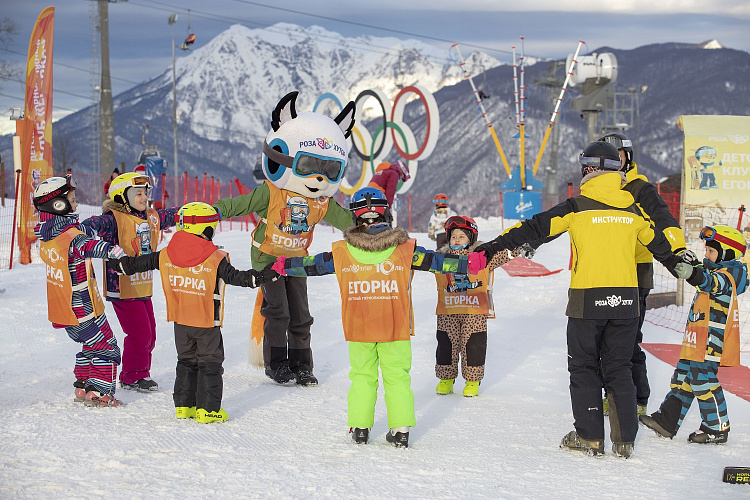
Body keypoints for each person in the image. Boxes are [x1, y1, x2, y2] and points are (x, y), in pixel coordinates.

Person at [475, 141, 684, 458]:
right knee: (619, 368)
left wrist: (488, 249)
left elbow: (531, 228)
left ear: (588, 169)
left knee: (584, 367)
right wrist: (690, 269)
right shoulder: (633, 211)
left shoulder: (576, 207)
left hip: (588, 299)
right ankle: (625, 440)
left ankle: (589, 437)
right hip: (627, 301)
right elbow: (663, 248)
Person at [269, 187, 486, 447]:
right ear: (386, 213)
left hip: (359, 327)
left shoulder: (342, 252)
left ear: (355, 217)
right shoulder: (406, 249)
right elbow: (437, 261)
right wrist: (467, 263)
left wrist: (284, 265)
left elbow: (313, 264)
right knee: (397, 378)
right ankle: (401, 430)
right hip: (395, 327)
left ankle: (360, 428)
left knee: (362, 376)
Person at [212, 91, 356, 387]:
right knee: (278, 311)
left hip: (297, 261)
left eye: (329, 170)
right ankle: (276, 363)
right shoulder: (272, 193)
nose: (318, 178)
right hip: (267, 256)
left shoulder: (322, 202)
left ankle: (302, 364)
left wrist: (371, 229)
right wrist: (212, 212)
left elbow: (346, 222)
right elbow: (240, 204)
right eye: (307, 166)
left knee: (301, 313)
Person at [108, 202, 273, 423]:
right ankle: (208, 410)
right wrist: (263, 276)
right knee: (210, 363)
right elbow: (239, 278)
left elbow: (140, 263)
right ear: (204, 229)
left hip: (181, 321)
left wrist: (122, 266)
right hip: (205, 321)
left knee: (186, 361)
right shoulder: (215, 257)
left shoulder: (166, 253)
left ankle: (184, 407)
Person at [598, 131, 691, 417]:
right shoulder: (597, 190)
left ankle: (637, 398)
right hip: (603, 271)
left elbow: (664, 219)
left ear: (628, 159)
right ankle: (612, 394)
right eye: (608, 159)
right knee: (603, 339)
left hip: (635, 271)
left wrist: (679, 250)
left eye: (619, 157)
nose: (615, 162)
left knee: (627, 339)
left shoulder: (640, 188)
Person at [639, 225, 748, 444]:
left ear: (727, 253)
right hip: (696, 338)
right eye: (706, 251)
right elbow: (705, 275)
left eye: (711, 252)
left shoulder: (730, 276)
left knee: (702, 379)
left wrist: (693, 272)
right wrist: (695, 264)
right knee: (683, 377)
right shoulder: (714, 270)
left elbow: (711, 283)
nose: (706, 255)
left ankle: (716, 427)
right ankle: (667, 421)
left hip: (711, 340)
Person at [80, 172, 178, 393]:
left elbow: (170, 216)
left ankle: (141, 371)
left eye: (145, 193)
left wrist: (193, 214)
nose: (144, 198)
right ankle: (132, 376)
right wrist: (82, 231)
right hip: (122, 287)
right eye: (138, 193)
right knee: (140, 333)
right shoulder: (114, 218)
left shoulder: (150, 216)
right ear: (122, 197)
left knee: (150, 333)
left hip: (142, 285)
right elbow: (94, 223)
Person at [34, 175, 126, 407]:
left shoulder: (48, 236)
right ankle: (100, 393)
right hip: (83, 308)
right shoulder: (70, 238)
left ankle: (83, 385)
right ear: (58, 205)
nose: (76, 205)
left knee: (90, 344)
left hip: (66, 308)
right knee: (106, 346)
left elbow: (78, 238)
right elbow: (87, 245)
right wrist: (113, 251)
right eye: (72, 201)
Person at [434, 215, 523, 397]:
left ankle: (472, 381)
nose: (457, 239)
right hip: (448, 311)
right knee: (446, 345)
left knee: (473, 345)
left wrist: (518, 247)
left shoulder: (482, 257)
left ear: (471, 239)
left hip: (474, 311)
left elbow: (502, 255)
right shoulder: (441, 258)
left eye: (462, 236)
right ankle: (446, 379)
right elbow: (421, 262)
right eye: (453, 236)